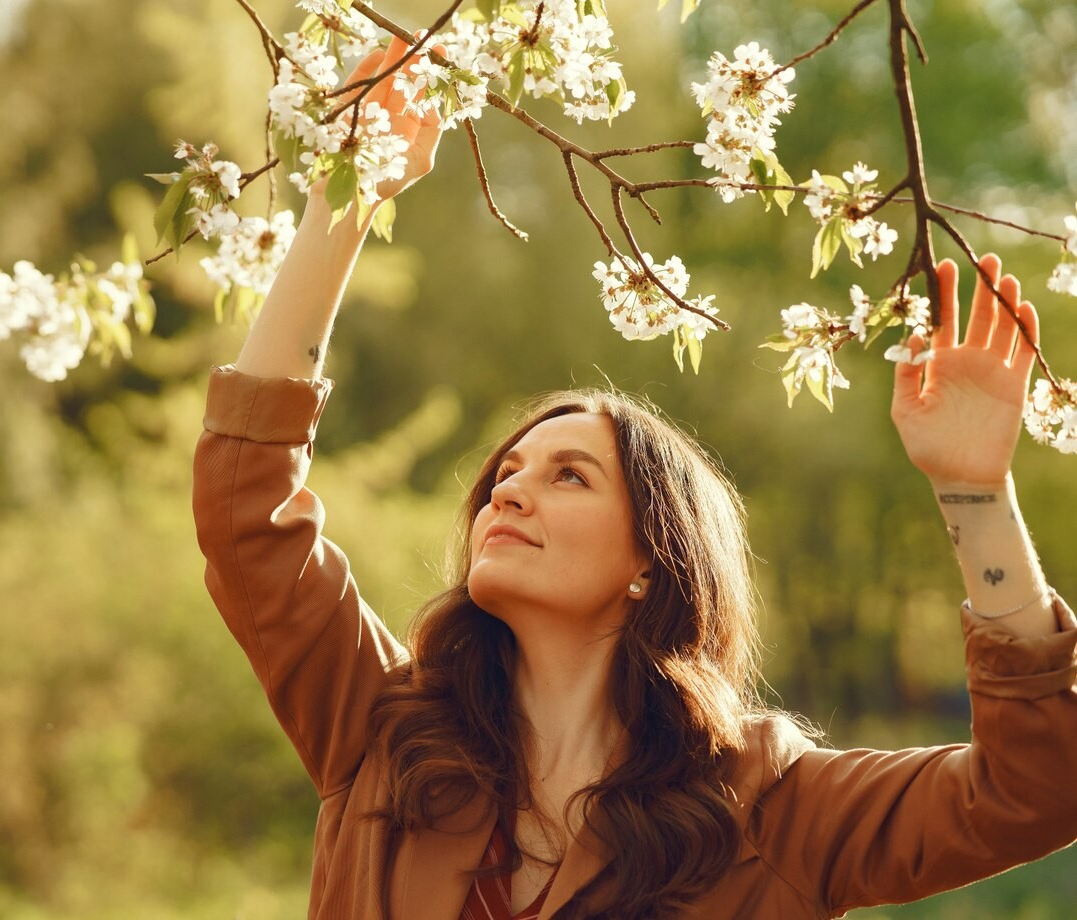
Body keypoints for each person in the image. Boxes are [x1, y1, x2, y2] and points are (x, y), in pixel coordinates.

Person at [192, 36, 1077, 920]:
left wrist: (974, 491)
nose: (507, 489)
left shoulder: (773, 811)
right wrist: (342, 204)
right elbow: (247, 510)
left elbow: (1034, 789)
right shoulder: (382, 731)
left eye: (569, 475)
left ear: (652, 562)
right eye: (507, 472)